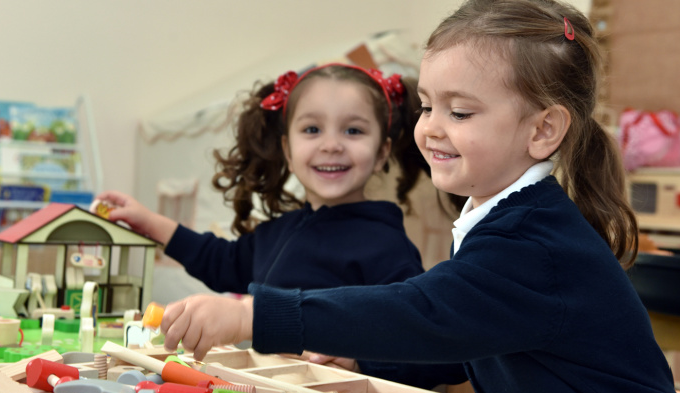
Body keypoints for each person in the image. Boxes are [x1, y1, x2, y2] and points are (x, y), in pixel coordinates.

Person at [156, 1, 680, 393]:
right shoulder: (502, 220)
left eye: (459, 111)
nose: (430, 127)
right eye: (428, 105)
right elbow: (465, 338)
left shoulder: (534, 245)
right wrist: (365, 358)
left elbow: (424, 312)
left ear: (543, 130)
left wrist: (253, 314)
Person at [95, 63, 434, 293]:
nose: (331, 145)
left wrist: (358, 361)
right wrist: (149, 222)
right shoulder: (278, 233)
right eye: (312, 129)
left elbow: (423, 346)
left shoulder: (387, 248)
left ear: (381, 153)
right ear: (288, 149)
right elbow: (220, 262)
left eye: (353, 130)